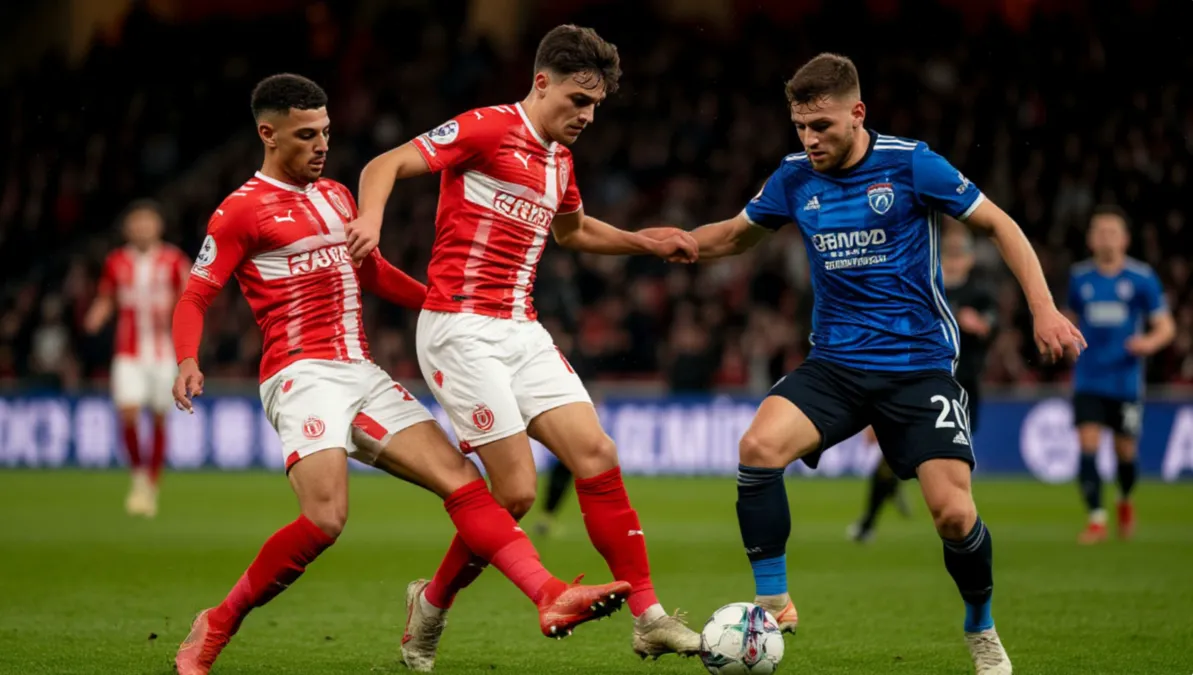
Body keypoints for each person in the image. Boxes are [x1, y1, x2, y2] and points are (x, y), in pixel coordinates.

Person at [169, 73, 632, 675]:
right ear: (269, 134)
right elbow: (196, 295)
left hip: (360, 371)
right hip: (299, 374)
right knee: (324, 520)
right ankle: (218, 622)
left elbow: (376, 275)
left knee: (464, 480)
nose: (321, 145)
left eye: (326, 133)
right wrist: (186, 359)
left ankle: (548, 592)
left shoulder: (338, 196)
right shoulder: (240, 212)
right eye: (306, 135)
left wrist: (443, 302)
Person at [679, 53, 1085, 674]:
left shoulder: (910, 163)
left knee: (953, 514)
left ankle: (980, 625)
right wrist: (665, 243)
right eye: (801, 127)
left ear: (857, 113)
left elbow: (1000, 224)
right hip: (835, 365)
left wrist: (1044, 308)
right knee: (758, 447)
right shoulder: (793, 178)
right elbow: (734, 235)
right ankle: (774, 600)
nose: (810, 140)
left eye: (822, 125)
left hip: (918, 367)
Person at [348, 24, 703, 669]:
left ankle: (648, 616)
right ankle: (429, 606)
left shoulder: (560, 162)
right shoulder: (486, 127)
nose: (587, 115)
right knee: (514, 494)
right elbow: (386, 162)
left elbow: (572, 232)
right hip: (458, 327)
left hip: (521, 327)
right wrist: (370, 217)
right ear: (541, 83)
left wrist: (644, 242)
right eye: (577, 99)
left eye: (595, 105)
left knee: (596, 452)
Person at [849, 224, 994, 542]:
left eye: (960, 254)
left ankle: (957, 521)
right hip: (917, 382)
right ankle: (869, 521)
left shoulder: (980, 294)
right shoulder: (926, 288)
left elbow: (990, 328)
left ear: (970, 259)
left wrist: (979, 325)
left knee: (947, 461)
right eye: (948, 253)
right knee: (889, 456)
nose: (954, 260)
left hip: (962, 388)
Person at [1065, 205, 1174, 544]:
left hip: (1126, 382)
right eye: (1099, 232)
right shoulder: (1079, 277)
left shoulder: (1141, 278)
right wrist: (1065, 342)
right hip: (1089, 379)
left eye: (1112, 232)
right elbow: (1068, 317)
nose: (1105, 238)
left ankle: (1125, 499)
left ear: (1125, 239)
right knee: (1087, 445)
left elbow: (1166, 327)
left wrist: (1148, 343)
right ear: (1090, 239)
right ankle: (1097, 517)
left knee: (1126, 454)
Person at [84, 200, 190, 517]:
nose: (142, 228)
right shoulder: (116, 261)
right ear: (128, 229)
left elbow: (189, 300)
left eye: (148, 222)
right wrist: (97, 315)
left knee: (159, 416)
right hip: (128, 352)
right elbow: (107, 297)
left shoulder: (174, 261)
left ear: (158, 226)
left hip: (163, 352)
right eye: (137, 223)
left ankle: (151, 484)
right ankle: (139, 477)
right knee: (128, 414)